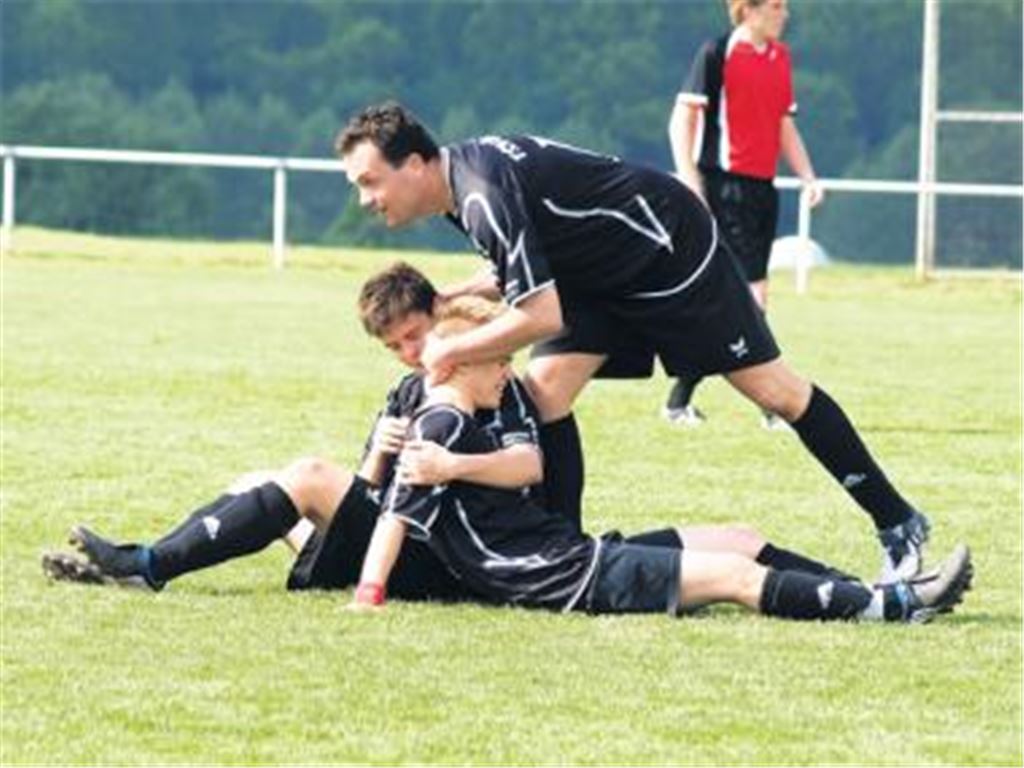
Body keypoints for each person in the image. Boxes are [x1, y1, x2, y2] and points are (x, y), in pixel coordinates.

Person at [335, 101, 932, 585]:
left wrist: (451, 350)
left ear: (413, 163)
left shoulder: (479, 193)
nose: (364, 199)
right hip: (600, 277)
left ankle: (898, 522)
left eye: (370, 181)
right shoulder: (464, 181)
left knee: (774, 392)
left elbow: (538, 315)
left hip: (669, 253)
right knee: (545, 395)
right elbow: (530, 265)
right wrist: (456, 294)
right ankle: (559, 546)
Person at [349, 298, 972, 623]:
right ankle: (892, 608)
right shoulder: (440, 422)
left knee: (739, 539)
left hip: (571, 555)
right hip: (563, 576)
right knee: (734, 579)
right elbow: (394, 516)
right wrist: (368, 594)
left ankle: (872, 591)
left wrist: (456, 469)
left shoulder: (470, 416)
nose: (509, 368)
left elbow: (523, 465)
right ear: (460, 363)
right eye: (498, 358)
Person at [41, 264, 552, 599]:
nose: (410, 352)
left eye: (415, 336)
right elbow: (370, 492)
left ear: (440, 314)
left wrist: (453, 465)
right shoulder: (405, 392)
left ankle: (145, 566)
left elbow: (530, 465)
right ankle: (146, 561)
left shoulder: (491, 375)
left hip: (448, 559)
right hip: (395, 548)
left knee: (309, 476)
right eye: (395, 346)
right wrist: (377, 455)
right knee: (255, 483)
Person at [664, 0, 824, 429]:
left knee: (729, 300)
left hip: (761, 190)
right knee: (752, 297)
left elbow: (784, 126)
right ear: (747, 10)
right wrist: (692, 182)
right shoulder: (717, 54)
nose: (784, 14)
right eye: (775, 6)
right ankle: (772, 405)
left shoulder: (781, 58)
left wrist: (808, 176)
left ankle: (680, 400)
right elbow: (681, 121)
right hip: (724, 187)